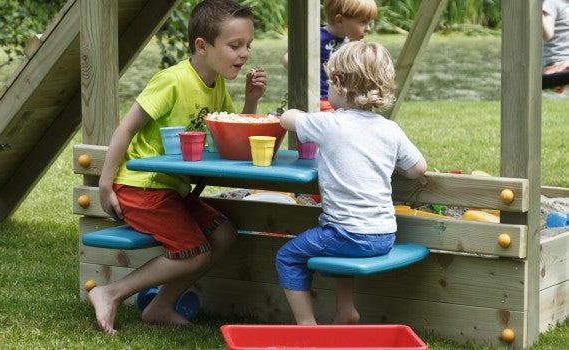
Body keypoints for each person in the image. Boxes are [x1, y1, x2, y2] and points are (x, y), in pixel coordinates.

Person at [89, 0, 267, 334]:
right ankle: (110, 292)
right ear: (202, 46)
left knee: (225, 234)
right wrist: (105, 184)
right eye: (235, 45)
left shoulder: (217, 86)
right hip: (141, 187)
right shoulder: (172, 81)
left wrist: (252, 101)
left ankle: (160, 305)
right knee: (194, 253)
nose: (244, 54)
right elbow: (126, 128)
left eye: (247, 46)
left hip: (172, 191)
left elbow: (231, 132)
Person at [276, 41, 427, 325]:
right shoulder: (389, 129)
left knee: (288, 256)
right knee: (330, 236)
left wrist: (294, 112)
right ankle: (345, 309)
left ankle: (307, 326)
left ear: (337, 83)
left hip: (346, 235)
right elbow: (418, 169)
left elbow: (287, 120)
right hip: (383, 235)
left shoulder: (329, 123)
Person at [282, 0, 377, 112]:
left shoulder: (347, 42)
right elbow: (287, 59)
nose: (368, 28)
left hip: (340, 99)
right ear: (340, 20)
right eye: (363, 22)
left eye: (369, 23)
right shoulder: (317, 38)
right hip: (319, 100)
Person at [542, 0, 569, 93]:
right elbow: (547, 35)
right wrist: (538, 14)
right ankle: (559, 68)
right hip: (556, 62)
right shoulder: (552, 2)